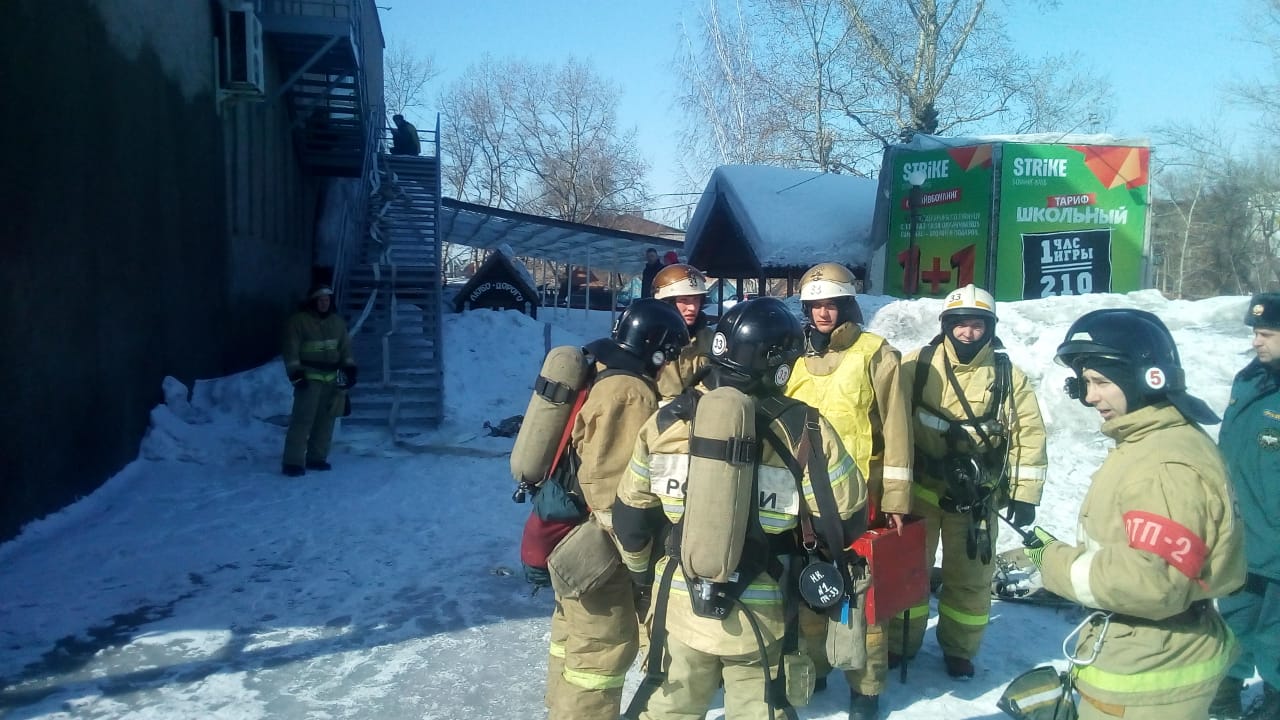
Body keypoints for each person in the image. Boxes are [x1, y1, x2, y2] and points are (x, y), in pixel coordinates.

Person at [613, 297, 868, 720]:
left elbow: (631, 518)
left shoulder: (666, 421)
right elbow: (846, 517)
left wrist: (643, 576)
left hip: (680, 605)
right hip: (762, 613)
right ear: (781, 367)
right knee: (759, 709)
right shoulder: (805, 427)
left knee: (670, 706)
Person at [1024, 308, 1244, 720]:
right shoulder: (1148, 442)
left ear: (1145, 378)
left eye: (1101, 382)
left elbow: (1150, 583)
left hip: (1150, 677)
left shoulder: (1162, 466)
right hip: (1145, 654)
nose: (1090, 397)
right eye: (1085, 383)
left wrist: (1052, 562)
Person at [888, 284, 1048, 682]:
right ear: (946, 325)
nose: (968, 333)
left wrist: (1024, 494)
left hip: (976, 499)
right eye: (960, 324)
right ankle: (899, 642)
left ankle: (960, 649)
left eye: (977, 325)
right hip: (922, 492)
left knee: (971, 579)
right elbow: (890, 416)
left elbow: (1028, 434)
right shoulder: (917, 365)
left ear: (990, 327)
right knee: (907, 572)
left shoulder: (1008, 376)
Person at [544, 299, 689, 720]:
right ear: (657, 349)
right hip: (602, 547)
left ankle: (560, 710)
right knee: (601, 652)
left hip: (573, 537)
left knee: (572, 638)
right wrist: (637, 557)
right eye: (671, 353)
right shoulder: (630, 393)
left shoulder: (604, 368)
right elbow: (613, 488)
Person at [783, 262, 913, 719]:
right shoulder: (794, 356)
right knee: (809, 586)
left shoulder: (876, 354)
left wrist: (896, 497)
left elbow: (897, 429)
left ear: (847, 305)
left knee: (861, 595)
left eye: (831, 304)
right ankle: (817, 667)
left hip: (859, 499)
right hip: (802, 500)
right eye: (815, 305)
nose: (823, 313)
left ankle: (866, 688)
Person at [1210, 293, 1280, 720]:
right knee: (1234, 619)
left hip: (1277, 544)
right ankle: (1223, 695)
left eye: (1267, 334)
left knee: (1275, 633)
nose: (1256, 341)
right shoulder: (1250, 379)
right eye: (1255, 332)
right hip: (1241, 534)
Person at [281, 283, 356, 477]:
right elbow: (291, 350)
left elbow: (345, 349)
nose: (324, 303)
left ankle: (317, 458)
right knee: (302, 420)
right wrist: (295, 374)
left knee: (326, 422)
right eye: (320, 300)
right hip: (309, 378)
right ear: (313, 301)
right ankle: (293, 462)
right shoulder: (298, 322)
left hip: (331, 379)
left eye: (327, 300)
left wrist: (350, 369)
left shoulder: (337, 323)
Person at [652, 263, 715, 399]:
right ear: (667, 303)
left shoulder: (709, 338)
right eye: (684, 300)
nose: (692, 307)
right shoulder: (648, 339)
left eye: (696, 300)